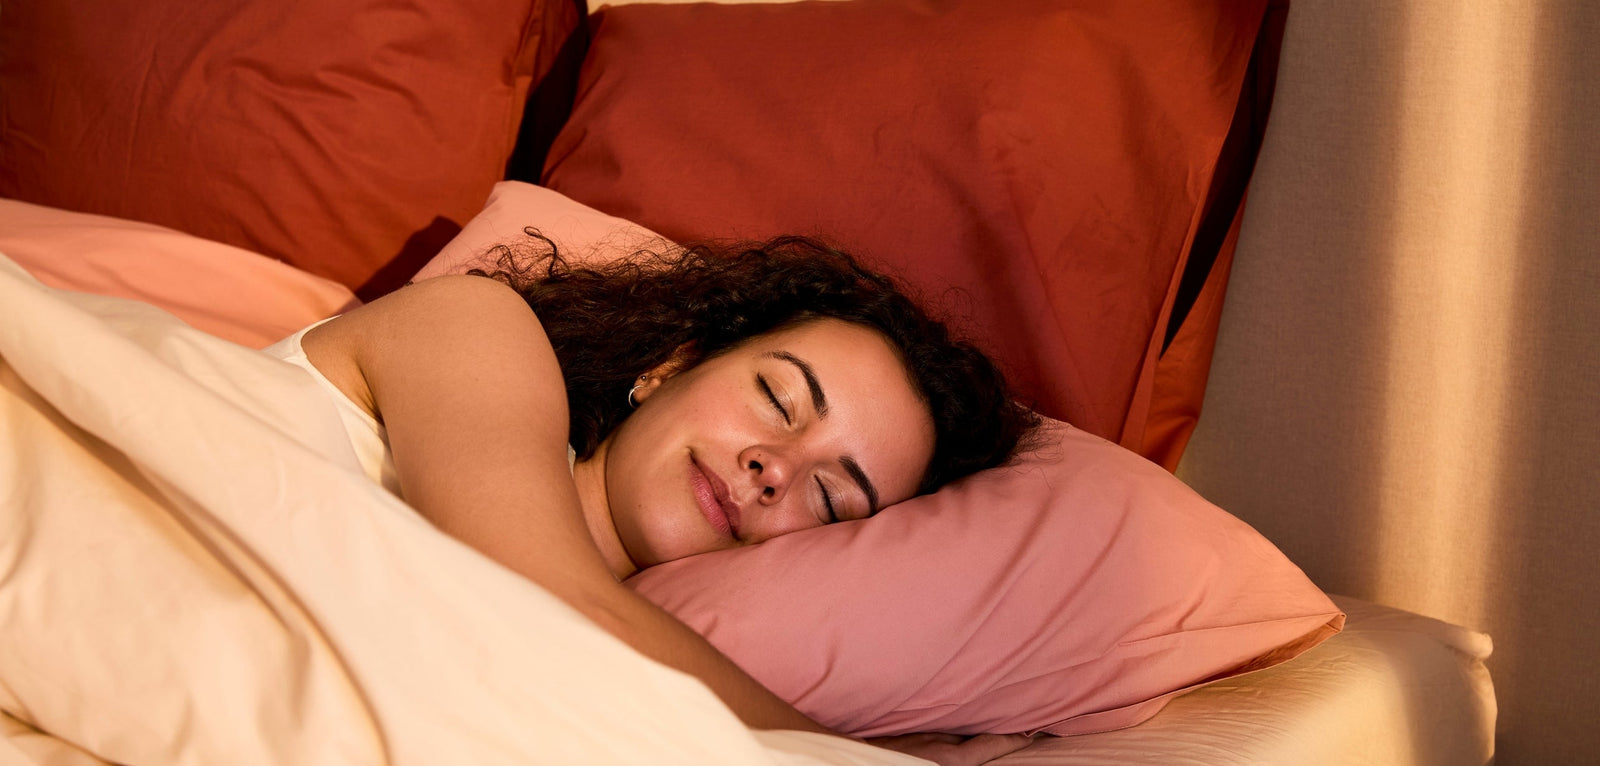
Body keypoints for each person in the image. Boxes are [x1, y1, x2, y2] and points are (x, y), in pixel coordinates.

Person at [268, 232, 1039, 764]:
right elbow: (542, 598)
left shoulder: (624, 703)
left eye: (831, 497)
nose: (772, 467)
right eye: (776, 397)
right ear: (671, 366)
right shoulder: (477, 324)